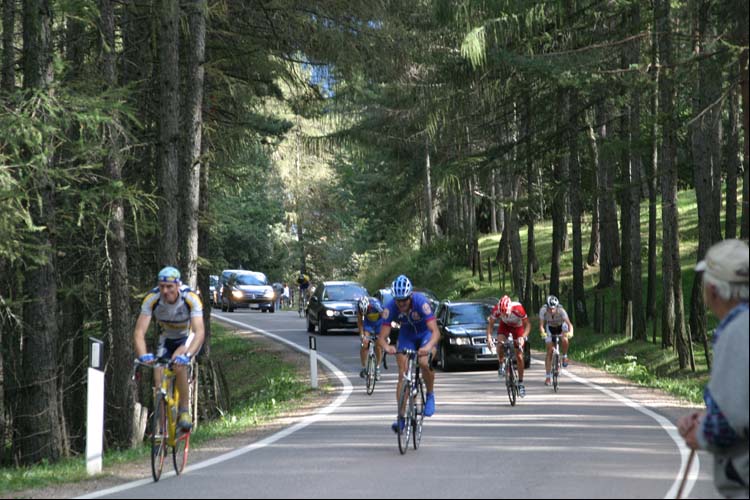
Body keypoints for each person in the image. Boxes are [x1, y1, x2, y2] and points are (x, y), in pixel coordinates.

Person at [677, 239, 749, 499]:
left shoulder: (736, 332)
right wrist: (708, 417)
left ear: (713, 290)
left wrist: (701, 432)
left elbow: (733, 423)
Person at [134, 266, 205, 432]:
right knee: (158, 376)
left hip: (188, 337)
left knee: (178, 362)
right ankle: (162, 429)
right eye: (162, 287)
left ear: (178, 286)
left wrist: (187, 355)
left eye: (169, 287)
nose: (165, 291)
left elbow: (199, 331)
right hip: (167, 337)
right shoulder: (152, 299)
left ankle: (184, 411)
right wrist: (143, 355)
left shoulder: (190, 298)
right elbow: (139, 332)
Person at [378, 275, 440, 432]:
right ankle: (401, 417)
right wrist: (387, 347)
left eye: (404, 301)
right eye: (398, 301)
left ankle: (430, 394)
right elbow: (382, 337)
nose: (401, 304)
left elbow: (435, 332)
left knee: (424, 362)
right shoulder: (390, 307)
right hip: (407, 336)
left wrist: (429, 347)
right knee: (402, 374)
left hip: (425, 334)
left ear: (410, 296)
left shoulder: (421, 302)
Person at [486, 295, 531, 397]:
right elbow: (491, 324)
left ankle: (520, 383)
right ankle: (501, 363)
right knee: (499, 344)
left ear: (510, 308)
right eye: (502, 313)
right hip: (505, 326)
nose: (505, 315)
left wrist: (522, 337)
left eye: (506, 312)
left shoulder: (518, 309)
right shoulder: (497, 309)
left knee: (519, 355)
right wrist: (489, 338)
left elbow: (528, 324)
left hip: (518, 327)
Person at [539, 295, 574, 386]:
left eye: (553, 308)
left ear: (557, 307)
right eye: (550, 309)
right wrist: (543, 333)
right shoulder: (543, 310)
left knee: (564, 338)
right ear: (547, 307)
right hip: (550, 328)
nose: (552, 311)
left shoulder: (561, 311)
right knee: (549, 351)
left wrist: (570, 332)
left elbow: (570, 324)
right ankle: (547, 377)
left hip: (561, 326)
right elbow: (541, 326)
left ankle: (565, 356)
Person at [357, 296, 384, 381]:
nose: (363, 313)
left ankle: (378, 368)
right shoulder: (358, 307)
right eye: (362, 312)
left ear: (369, 306)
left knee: (378, 346)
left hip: (379, 322)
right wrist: (362, 335)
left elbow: (385, 318)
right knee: (364, 344)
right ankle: (364, 367)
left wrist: (385, 335)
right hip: (368, 323)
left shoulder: (375, 305)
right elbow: (360, 322)